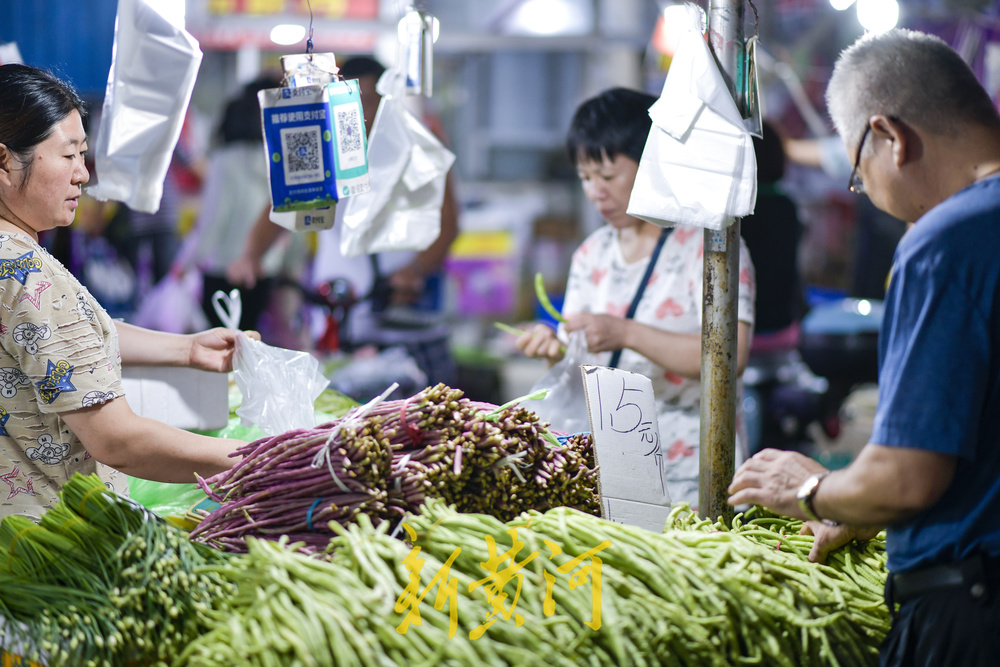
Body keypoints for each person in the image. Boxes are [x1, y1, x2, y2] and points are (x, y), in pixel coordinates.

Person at [727, 29, 1000, 665]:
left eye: (858, 172)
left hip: (973, 611)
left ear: (890, 137)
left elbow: (907, 478)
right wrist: (863, 504)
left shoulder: (949, 240)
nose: (867, 192)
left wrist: (813, 490)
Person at [0, 63, 255, 520]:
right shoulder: (26, 274)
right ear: (4, 162)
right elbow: (117, 440)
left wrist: (186, 348)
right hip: (49, 542)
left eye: (84, 155)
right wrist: (255, 456)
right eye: (69, 155)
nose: (83, 174)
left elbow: (58, 337)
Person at [516, 88, 756, 506]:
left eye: (607, 177)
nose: (595, 192)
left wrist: (625, 332)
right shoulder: (591, 254)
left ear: (649, 163)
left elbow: (731, 358)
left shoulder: (710, 248)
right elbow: (579, 366)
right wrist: (553, 349)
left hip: (692, 471)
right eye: (585, 178)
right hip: (612, 469)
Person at [228, 55, 460, 386]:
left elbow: (448, 225)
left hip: (401, 307)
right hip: (334, 306)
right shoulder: (325, 155)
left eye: (371, 101)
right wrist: (250, 255)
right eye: (355, 101)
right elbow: (279, 210)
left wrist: (415, 271)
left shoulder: (418, 149)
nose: (364, 113)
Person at [171, 74, 310, 348]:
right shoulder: (280, 162)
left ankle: (225, 392)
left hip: (223, 267)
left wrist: (186, 264)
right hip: (263, 267)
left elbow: (213, 219)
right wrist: (291, 263)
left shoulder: (226, 160)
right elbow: (291, 215)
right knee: (250, 344)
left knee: (218, 347)